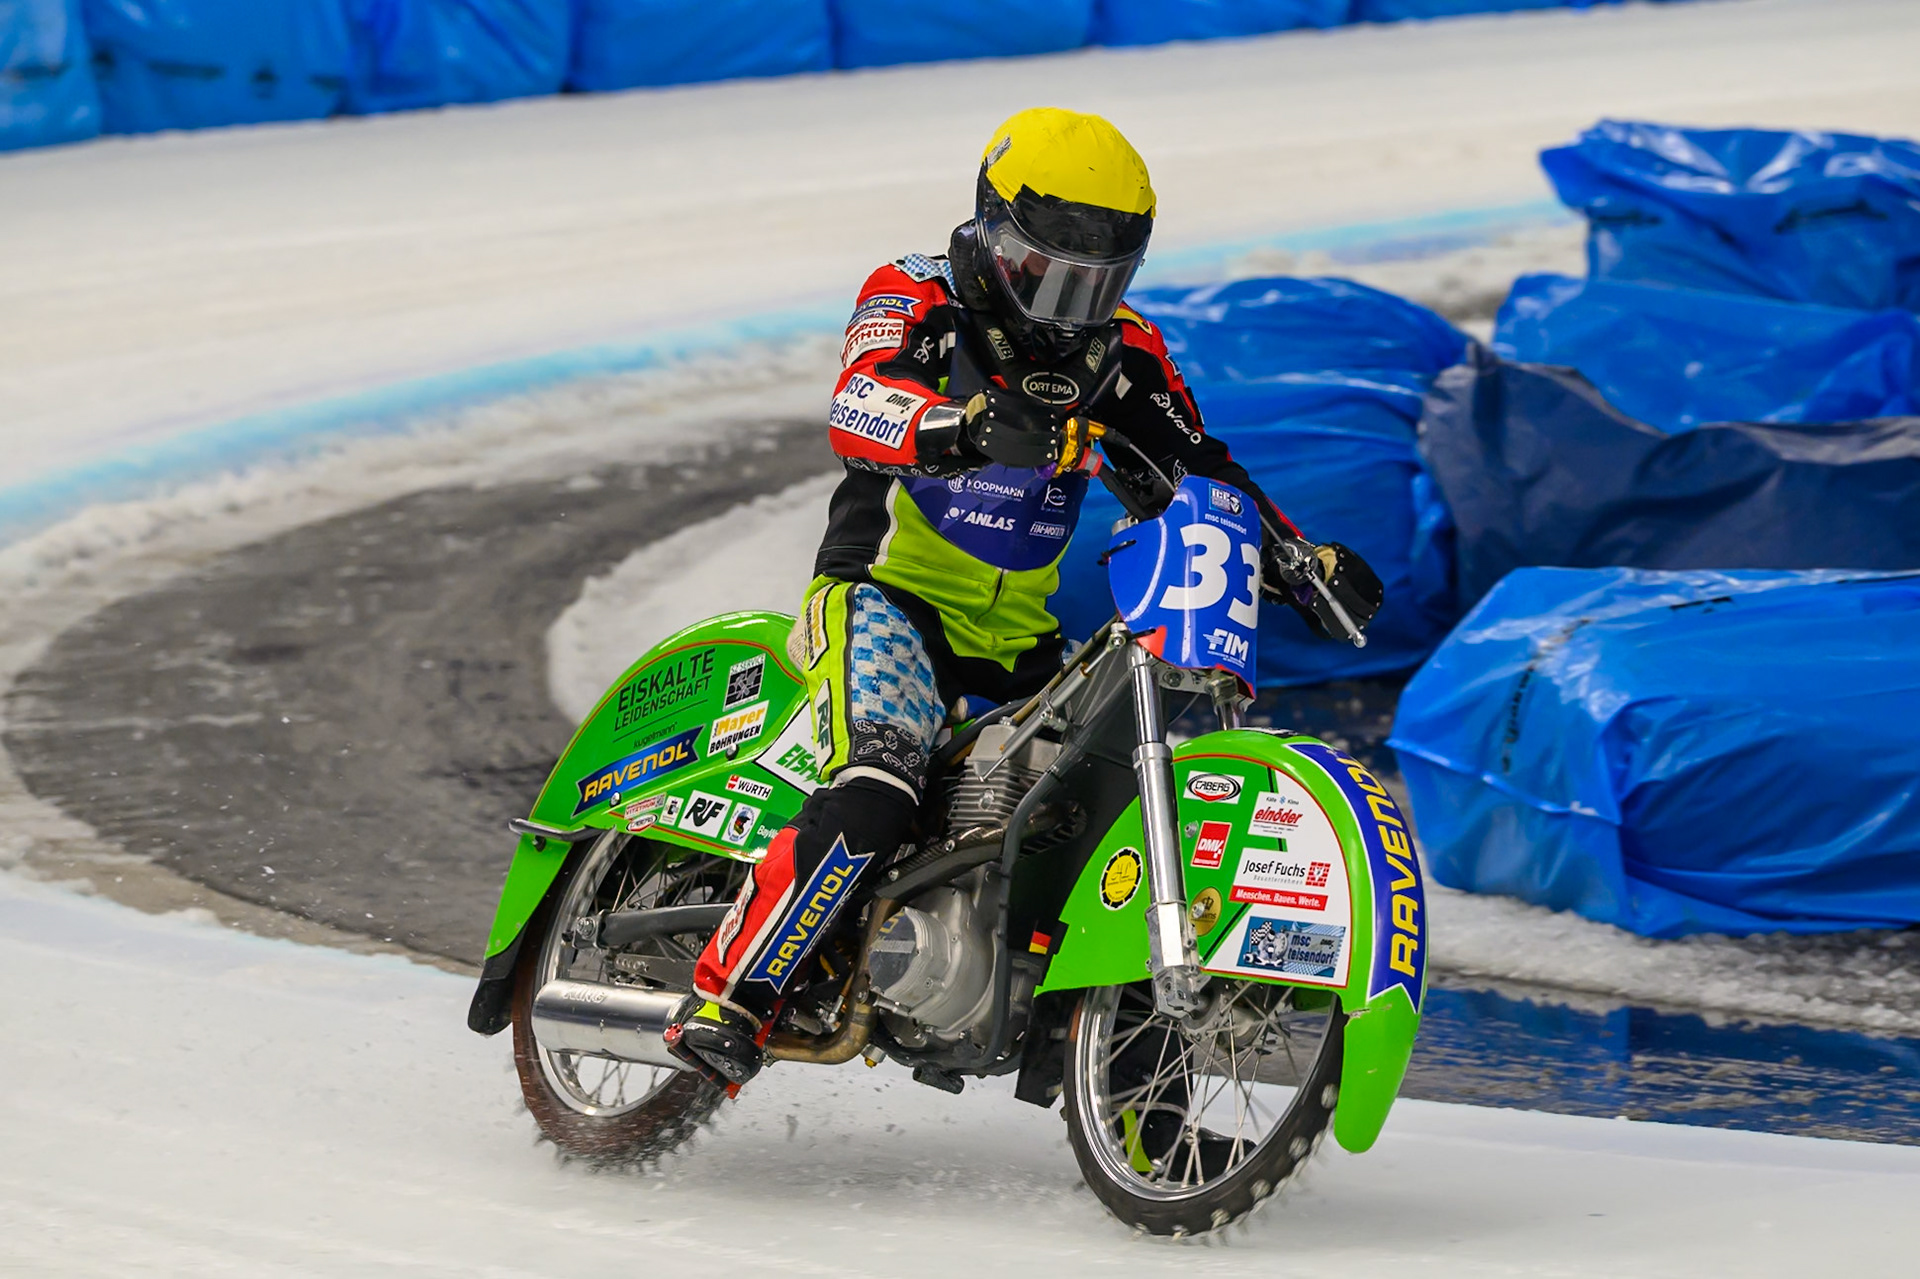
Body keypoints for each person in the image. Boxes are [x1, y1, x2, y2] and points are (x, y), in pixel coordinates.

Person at [667, 107, 1382, 1088]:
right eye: (1044, 270)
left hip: (1024, 641)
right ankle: (730, 997)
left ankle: (1132, 1092)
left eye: (1094, 283)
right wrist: (958, 426)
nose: (1064, 304)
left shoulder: (1124, 352)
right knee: (878, 783)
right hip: (888, 603)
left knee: (1113, 805)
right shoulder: (914, 294)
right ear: (988, 227)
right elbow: (858, 402)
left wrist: (1299, 559)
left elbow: (1197, 467)